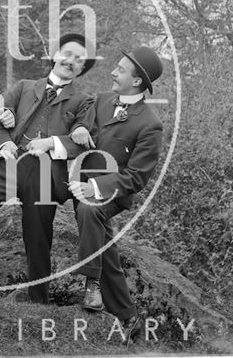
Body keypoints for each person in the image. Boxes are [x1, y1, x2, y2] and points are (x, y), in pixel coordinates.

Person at [0, 32, 97, 303]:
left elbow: (83, 139)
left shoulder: (84, 101)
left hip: (44, 172)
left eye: (79, 60)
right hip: (7, 162)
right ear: (55, 54)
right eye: (68, 53)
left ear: (82, 69)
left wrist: (51, 142)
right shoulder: (24, 87)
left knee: (37, 233)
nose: (72, 61)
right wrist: (4, 145)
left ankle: (37, 297)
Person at [68, 46, 164, 340]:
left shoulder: (150, 125)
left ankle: (92, 284)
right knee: (104, 244)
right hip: (79, 180)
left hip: (113, 193)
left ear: (136, 81)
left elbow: (136, 177)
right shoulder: (101, 99)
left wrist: (94, 188)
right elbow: (79, 117)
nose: (112, 72)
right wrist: (81, 128)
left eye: (120, 69)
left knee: (89, 209)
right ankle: (127, 315)